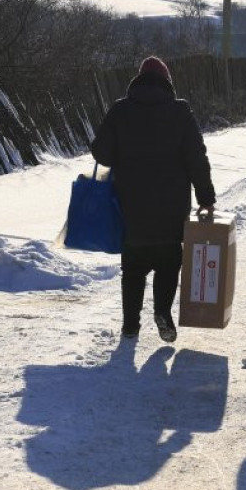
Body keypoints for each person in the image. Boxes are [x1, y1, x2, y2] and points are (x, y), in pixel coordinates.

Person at [91, 56, 216, 342]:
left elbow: (102, 154)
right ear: (167, 82)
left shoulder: (120, 110)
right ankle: (162, 312)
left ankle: (130, 325)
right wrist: (206, 198)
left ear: (138, 80)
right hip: (171, 209)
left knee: (133, 268)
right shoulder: (180, 111)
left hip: (130, 206)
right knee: (168, 262)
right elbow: (197, 159)